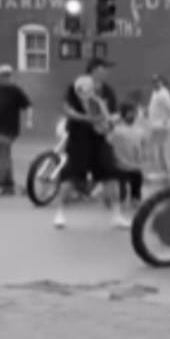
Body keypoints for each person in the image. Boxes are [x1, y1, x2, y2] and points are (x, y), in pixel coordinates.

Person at [53, 71, 125, 229]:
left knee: (110, 173)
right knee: (72, 175)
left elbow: (108, 119)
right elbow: (68, 111)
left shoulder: (98, 101)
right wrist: (88, 119)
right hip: (79, 141)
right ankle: (60, 213)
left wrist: (111, 122)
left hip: (99, 141)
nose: (86, 91)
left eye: (88, 88)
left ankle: (117, 215)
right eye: (81, 89)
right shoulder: (71, 100)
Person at [0, 64, 33, 194]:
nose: (5, 77)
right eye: (3, 75)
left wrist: (29, 120)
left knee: (1, 150)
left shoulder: (15, 91)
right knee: (4, 152)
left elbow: (28, 105)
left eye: (7, 75)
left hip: (10, 128)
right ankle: (8, 184)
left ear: (10, 76)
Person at [109, 101, 145, 216]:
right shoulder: (116, 131)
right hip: (121, 166)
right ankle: (121, 203)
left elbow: (142, 147)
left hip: (135, 167)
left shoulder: (140, 130)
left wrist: (141, 160)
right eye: (130, 113)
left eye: (134, 113)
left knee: (136, 188)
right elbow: (109, 145)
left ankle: (134, 202)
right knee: (122, 193)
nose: (133, 115)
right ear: (123, 115)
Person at [147, 74, 170, 183]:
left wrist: (165, 121)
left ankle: (164, 172)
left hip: (162, 125)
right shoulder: (155, 92)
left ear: (162, 82)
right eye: (153, 81)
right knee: (157, 148)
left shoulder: (164, 94)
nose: (155, 83)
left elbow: (169, 108)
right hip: (155, 125)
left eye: (157, 81)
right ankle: (162, 172)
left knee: (159, 149)